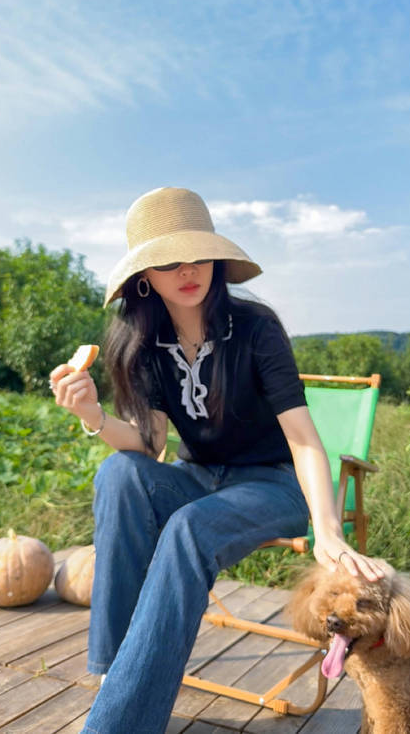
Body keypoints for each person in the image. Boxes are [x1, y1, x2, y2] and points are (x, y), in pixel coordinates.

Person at [50, 187, 385, 734]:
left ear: (216, 259)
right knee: (118, 473)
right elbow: (149, 445)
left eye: (198, 254)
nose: (188, 269)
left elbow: (303, 438)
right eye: (167, 261)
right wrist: (92, 414)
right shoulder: (145, 343)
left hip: (272, 485)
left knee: (186, 529)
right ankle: (119, 676)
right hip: (198, 478)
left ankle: (116, 725)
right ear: (145, 278)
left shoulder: (255, 329)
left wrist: (327, 530)